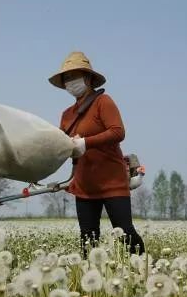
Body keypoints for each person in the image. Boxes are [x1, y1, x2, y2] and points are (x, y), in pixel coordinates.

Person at [49, 51, 145, 256]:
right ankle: (91, 280)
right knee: (87, 237)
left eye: (74, 76)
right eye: (66, 78)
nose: (70, 82)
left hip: (112, 182)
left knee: (125, 233)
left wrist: (86, 142)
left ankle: (144, 269)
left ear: (88, 78)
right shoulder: (66, 115)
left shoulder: (104, 102)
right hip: (84, 184)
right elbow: (63, 146)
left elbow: (118, 132)